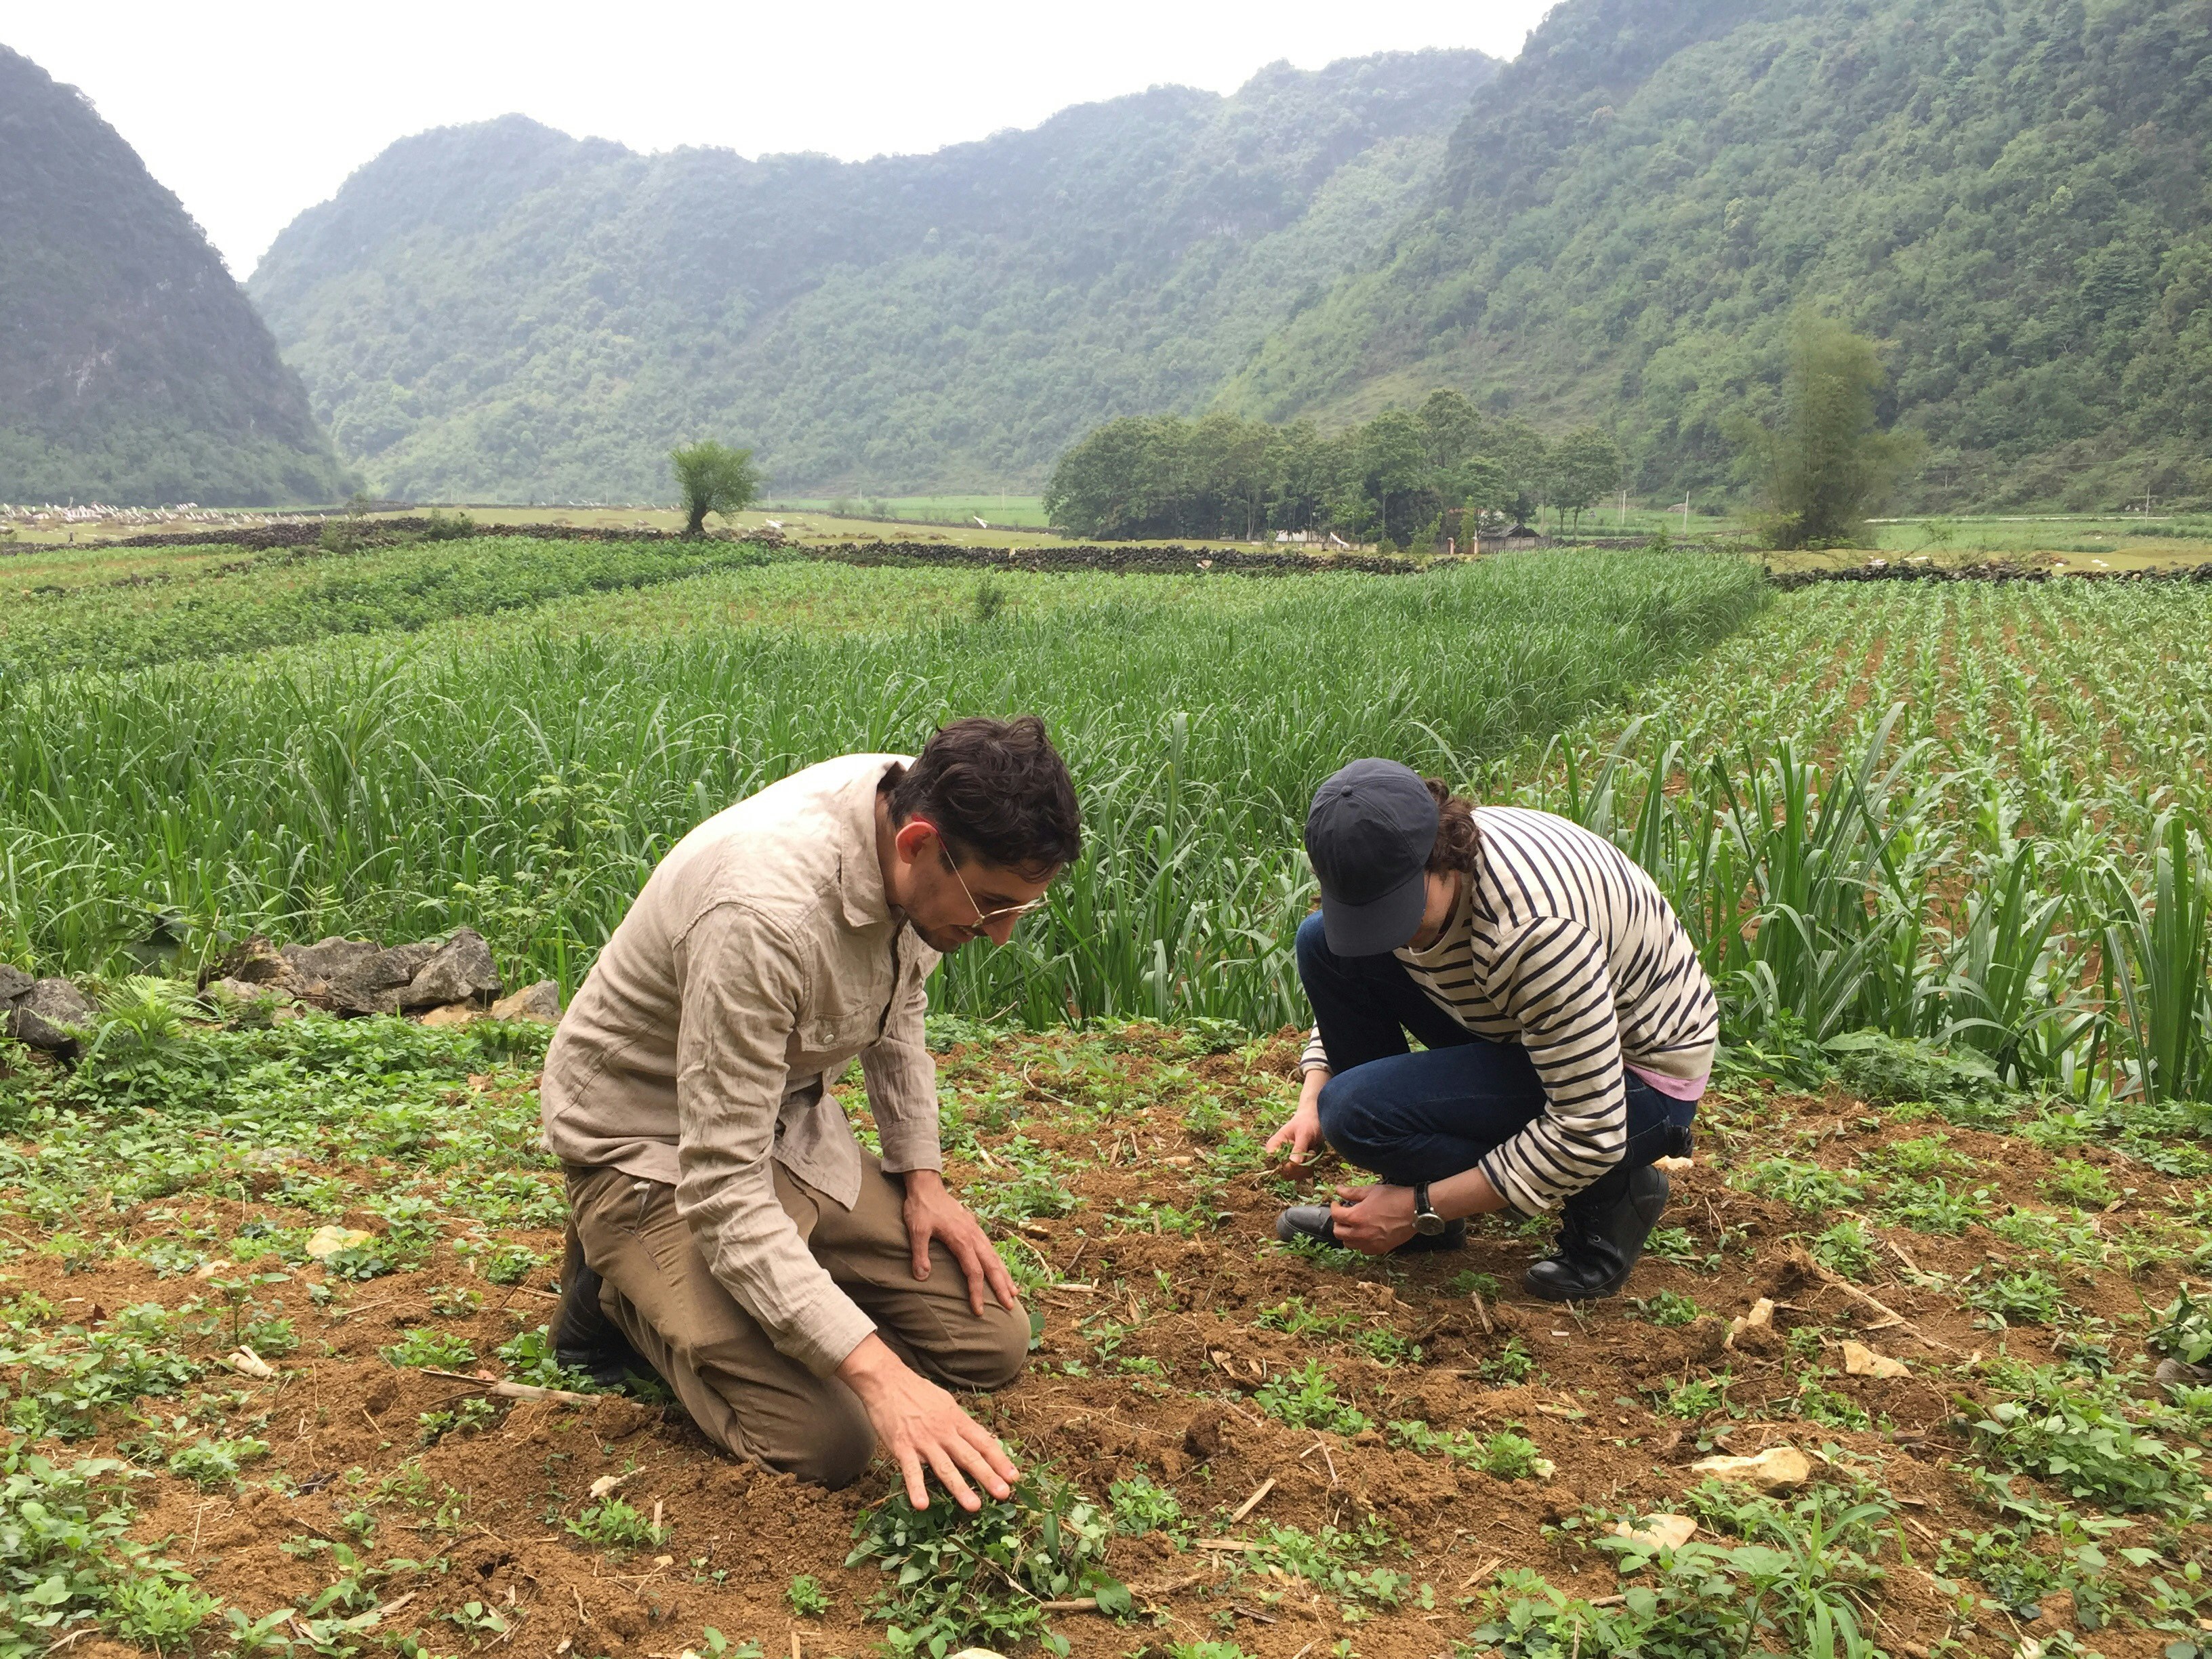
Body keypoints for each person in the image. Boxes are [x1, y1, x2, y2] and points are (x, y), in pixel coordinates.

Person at [540, 717, 1082, 1511]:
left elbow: (899, 1006)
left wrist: (923, 1180)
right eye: (992, 905)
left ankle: (765, 1286)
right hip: (651, 1147)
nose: (999, 936)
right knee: (828, 1441)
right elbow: (723, 1189)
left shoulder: (916, 815)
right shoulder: (761, 916)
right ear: (919, 844)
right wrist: (881, 1377)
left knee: (990, 1346)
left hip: (783, 1124)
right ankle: (616, 1293)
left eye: (1020, 911)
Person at [1265, 759, 1717, 1300]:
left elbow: (1589, 1128)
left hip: (1633, 1079)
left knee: (1358, 1113)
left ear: (1440, 855)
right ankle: (1424, 1205)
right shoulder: (1420, 871)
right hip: (1527, 1025)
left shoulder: (1535, 932)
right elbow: (1357, 970)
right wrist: (1312, 1097)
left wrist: (1418, 1207)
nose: (1394, 937)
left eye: (1397, 913)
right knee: (1322, 943)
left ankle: (1616, 1190)